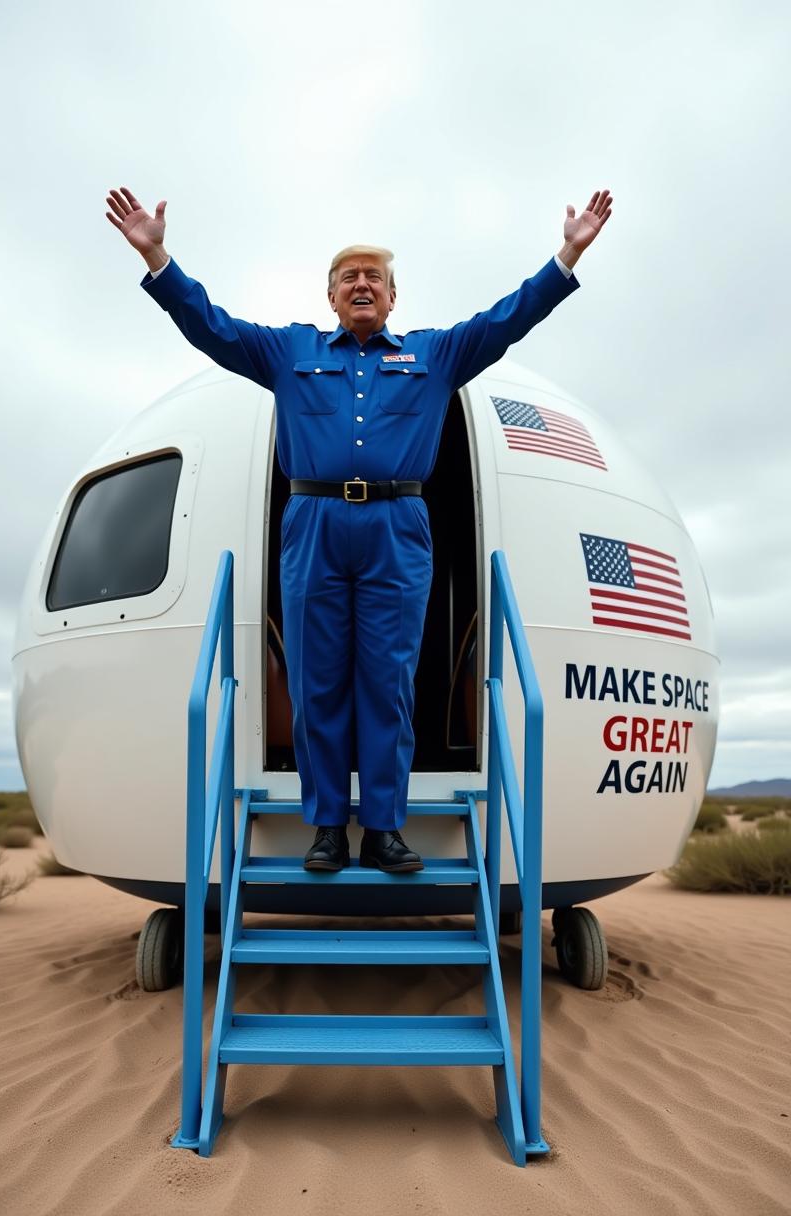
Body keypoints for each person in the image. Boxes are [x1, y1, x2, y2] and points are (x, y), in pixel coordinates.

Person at [106, 186, 612, 874]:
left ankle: (382, 829)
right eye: (350, 278)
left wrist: (568, 254)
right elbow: (212, 327)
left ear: (394, 297)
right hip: (311, 522)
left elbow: (507, 319)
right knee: (320, 682)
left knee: (387, 680)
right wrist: (158, 256)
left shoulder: (436, 355)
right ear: (332, 297)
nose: (362, 284)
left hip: (398, 527)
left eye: (374, 276)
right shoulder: (289, 352)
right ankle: (325, 827)